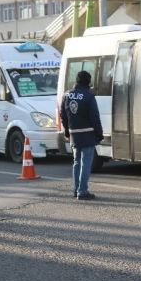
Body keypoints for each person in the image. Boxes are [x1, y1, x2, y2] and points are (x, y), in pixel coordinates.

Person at [60, 70, 103, 200]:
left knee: (76, 162)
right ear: (88, 82)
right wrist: (99, 133)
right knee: (85, 163)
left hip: (74, 134)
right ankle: (82, 191)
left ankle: (75, 189)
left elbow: (63, 115)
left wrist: (67, 131)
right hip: (87, 134)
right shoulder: (89, 96)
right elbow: (95, 117)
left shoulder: (66, 95)